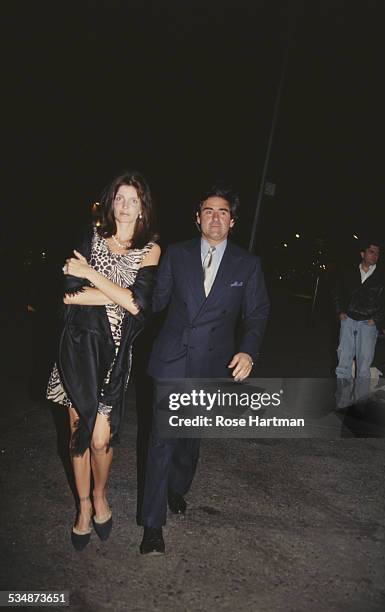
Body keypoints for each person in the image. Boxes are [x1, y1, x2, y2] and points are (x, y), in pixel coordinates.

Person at [139, 183, 270, 554]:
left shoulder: (248, 264)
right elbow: (155, 303)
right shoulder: (175, 255)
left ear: (232, 221)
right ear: (197, 219)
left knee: (187, 440)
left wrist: (248, 352)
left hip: (212, 363)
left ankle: (177, 487)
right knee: (161, 441)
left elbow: (258, 314)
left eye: (223, 212)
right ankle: (152, 526)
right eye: (209, 211)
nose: (216, 218)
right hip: (172, 359)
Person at [46, 171, 160, 550]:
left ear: (143, 207)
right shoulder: (91, 236)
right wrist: (119, 294)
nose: (126, 206)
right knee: (79, 434)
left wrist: (91, 275)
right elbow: (68, 296)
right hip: (76, 351)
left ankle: (100, 495)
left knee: (100, 439)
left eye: (134, 199)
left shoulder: (151, 249)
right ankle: (82, 507)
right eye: (120, 198)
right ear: (110, 202)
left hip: (114, 358)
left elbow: (138, 305)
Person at [333, 240, 385, 406]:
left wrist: (376, 319)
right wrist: (339, 311)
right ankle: (342, 401)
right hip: (348, 320)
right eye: (371, 251)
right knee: (343, 363)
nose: (375, 255)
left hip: (368, 324)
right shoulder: (349, 272)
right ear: (362, 254)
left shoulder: (383, 277)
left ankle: (359, 402)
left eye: (377, 253)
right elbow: (336, 291)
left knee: (364, 367)